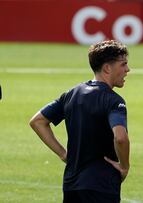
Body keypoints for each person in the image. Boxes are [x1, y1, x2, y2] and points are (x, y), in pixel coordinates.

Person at [29, 40, 130, 203]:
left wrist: (64, 155)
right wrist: (124, 166)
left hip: (71, 184)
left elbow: (37, 122)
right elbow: (120, 138)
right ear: (107, 68)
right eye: (123, 64)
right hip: (102, 185)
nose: (127, 70)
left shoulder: (71, 94)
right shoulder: (113, 100)